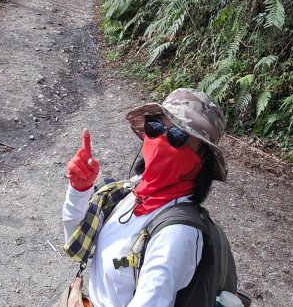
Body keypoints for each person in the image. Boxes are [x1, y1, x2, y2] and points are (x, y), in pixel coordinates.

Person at [62, 88, 228, 307]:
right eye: (155, 127)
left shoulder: (175, 236)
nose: (160, 140)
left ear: (202, 159)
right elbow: (78, 235)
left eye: (178, 137)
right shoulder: (131, 191)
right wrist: (80, 190)